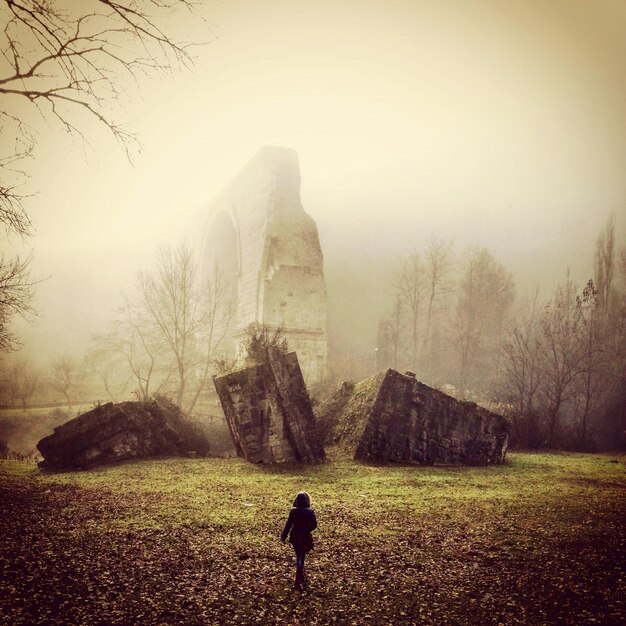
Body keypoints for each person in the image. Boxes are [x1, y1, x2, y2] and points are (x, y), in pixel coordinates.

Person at [280, 491, 317, 591]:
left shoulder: (293, 511)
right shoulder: (310, 512)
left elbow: (288, 524)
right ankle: (298, 577)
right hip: (304, 536)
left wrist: (284, 535)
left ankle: (299, 575)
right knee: (301, 556)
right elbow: (314, 525)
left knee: (299, 555)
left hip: (295, 536)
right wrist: (307, 530)